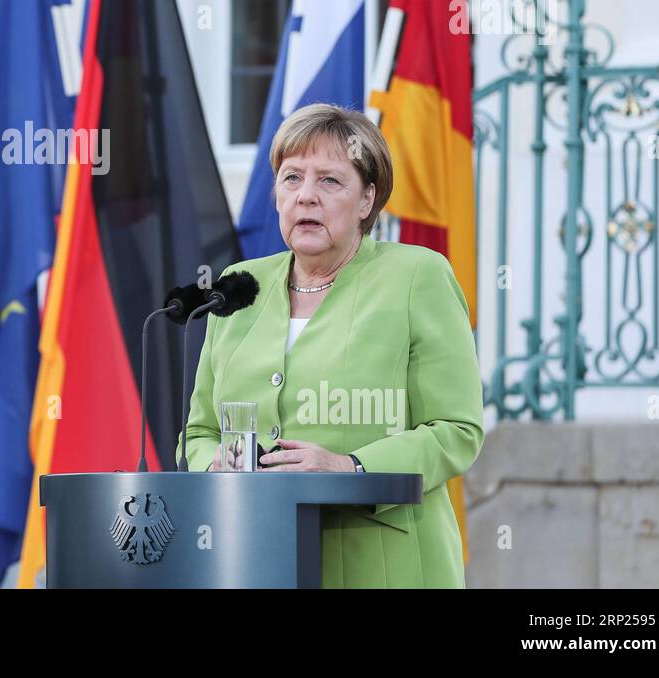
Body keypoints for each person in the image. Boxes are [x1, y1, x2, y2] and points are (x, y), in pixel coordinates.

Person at [179, 103, 484, 587]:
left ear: (366, 200)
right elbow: (198, 434)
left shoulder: (416, 276)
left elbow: (457, 430)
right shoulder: (239, 286)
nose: (306, 197)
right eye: (292, 178)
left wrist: (350, 467)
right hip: (255, 558)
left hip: (382, 564)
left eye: (329, 181)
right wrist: (214, 463)